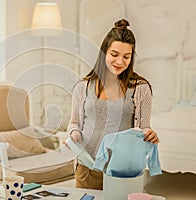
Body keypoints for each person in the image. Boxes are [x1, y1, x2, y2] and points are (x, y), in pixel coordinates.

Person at [64, 19, 160, 190]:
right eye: (114, 54)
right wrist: (74, 134)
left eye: (126, 57)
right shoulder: (83, 87)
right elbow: (74, 123)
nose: (120, 62)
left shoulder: (141, 89)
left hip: (123, 173)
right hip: (87, 169)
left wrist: (149, 135)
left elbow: (143, 129)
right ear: (104, 53)